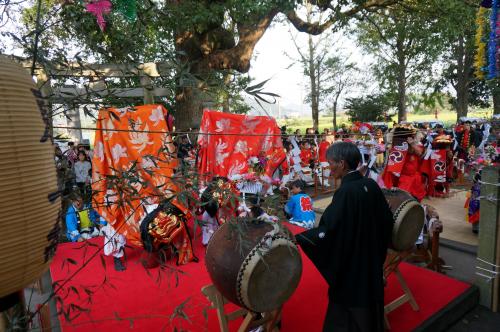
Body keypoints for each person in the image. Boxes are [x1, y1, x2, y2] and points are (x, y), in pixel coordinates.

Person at [296, 142, 393, 332]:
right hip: (372, 258)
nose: (329, 168)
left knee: (349, 304)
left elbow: (331, 230)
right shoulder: (370, 184)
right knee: (370, 299)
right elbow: (387, 218)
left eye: (330, 163)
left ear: (342, 163)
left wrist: (303, 238)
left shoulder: (346, 191)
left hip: (354, 262)